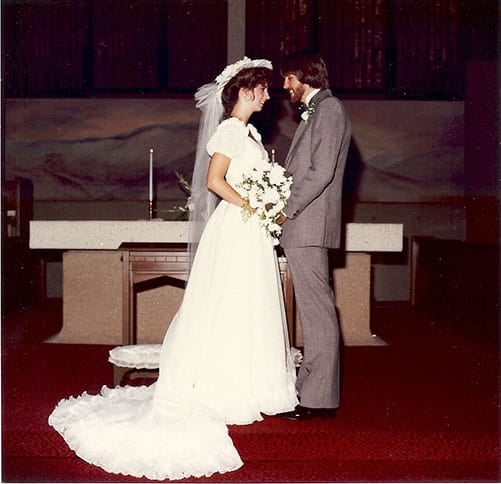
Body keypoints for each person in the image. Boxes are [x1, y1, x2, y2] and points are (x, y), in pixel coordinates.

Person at [48, 57, 298, 480]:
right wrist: (256, 204)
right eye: (262, 89)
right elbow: (215, 182)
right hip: (236, 227)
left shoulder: (249, 132)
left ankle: (250, 383)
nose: (267, 96)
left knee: (246, 303)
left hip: (249, 229)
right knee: (228, 301)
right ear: (244, 92)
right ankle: (223, 385)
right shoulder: (229, 131)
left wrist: (268, 203)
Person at [275, 51, 352, 420]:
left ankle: (318, 400)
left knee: (317, 312)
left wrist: (286, 208)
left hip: (307, 225)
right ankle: (311, 391)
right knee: (314, 310)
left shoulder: (329, 109)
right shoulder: (318, 111)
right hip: (304, 226)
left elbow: (320, 172)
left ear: (306, 76)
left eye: (289, 77)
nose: (285, 85)